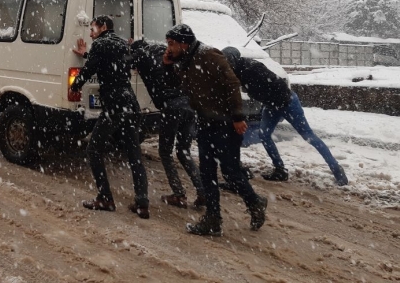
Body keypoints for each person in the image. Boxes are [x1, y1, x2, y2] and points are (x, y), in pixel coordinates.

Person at [164, 24, 267, 236]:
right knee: (207, 172)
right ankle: (213, 219)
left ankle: (255, 202)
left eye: (172, 44)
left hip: (226, 123)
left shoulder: (209, 55)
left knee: (230, 171)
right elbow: (176, 85)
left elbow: (232, 84)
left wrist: (237, 117)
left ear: (184, 43)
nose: (169, 48)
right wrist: (167, 65)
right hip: (205, 122)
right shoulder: (184, 60)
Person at [221, 47, 349, 186]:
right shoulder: (236, 71)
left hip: (288, 103)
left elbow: (278, 84)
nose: (227, 66)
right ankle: (280, 170)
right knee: (264, 135)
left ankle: (336, 168)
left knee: (308, 136)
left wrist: (278, 102)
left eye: (228, 63)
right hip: (271, 105)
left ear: (234, 59)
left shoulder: (252, 68)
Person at [71, 15, 150, 219]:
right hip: (130, 104)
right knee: (134, 156)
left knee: (93, 149)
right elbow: (114, 63)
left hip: (114, 105)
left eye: (93, 29)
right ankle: (142, 203)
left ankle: (105, 198)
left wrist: (76, 85)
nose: (90, 33)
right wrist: (88, 53)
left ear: (103, 27)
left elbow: (91, 69)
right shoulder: (123, 44)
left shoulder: (101, 44)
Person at [129, 38, 205, 209]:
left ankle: (179, 195)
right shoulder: (164, 50)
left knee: (165, 152)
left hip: (171, 107)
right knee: (183, 151)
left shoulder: (141, 55)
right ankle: (203, 192)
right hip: (189, 104)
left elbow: (122, 62)